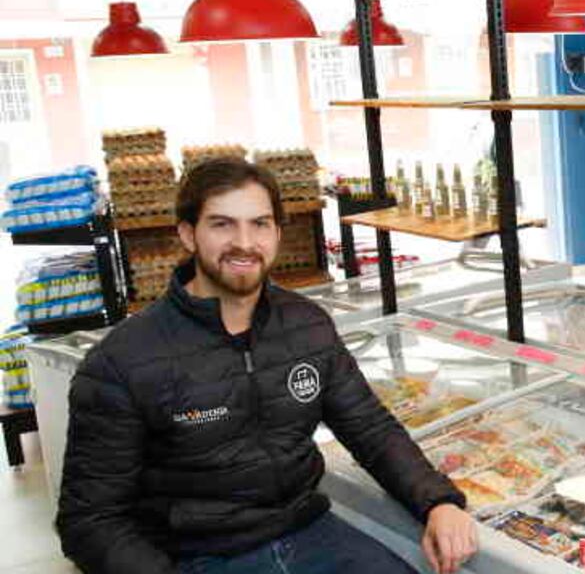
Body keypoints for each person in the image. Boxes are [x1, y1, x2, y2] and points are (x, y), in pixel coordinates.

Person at [57, 159, 477, 574]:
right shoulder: (123, 360)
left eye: (259, 224)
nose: (244, 242)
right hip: (195, 556)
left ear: (277, 232)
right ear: (188, 234)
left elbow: (370, 427)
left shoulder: (305, 325)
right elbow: (90, 521)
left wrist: (437, 501)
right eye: (222, 224)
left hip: (310, 534)